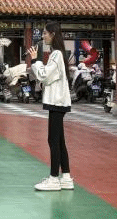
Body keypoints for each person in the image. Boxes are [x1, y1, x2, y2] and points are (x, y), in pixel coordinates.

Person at [29, 21, 74, 191]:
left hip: (56, 101)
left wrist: (35, 60)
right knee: (59, 140)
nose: (43, 36)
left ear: (53, 34)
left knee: (53, 140)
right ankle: (66, 177)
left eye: (45, 33)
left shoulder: (56, 55)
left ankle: (54, 178)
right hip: (58, 101)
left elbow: (43, 75)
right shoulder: (58, 54)